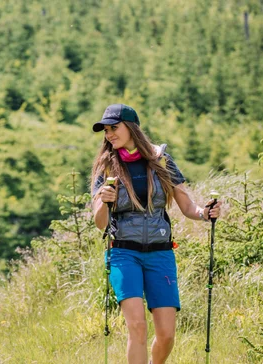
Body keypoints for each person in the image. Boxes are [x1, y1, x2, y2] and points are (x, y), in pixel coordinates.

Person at [90, 104, 222, 364]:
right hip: (123, 253)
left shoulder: (161, 160)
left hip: (161, 253)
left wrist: (205, 213)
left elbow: (187, 206)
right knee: (137, 327)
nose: (109, 135)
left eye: (114, 128)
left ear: (132, 128)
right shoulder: (106, 168)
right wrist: (105, 202)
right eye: (106, 130)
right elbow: (99, 223)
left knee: (167, 335)